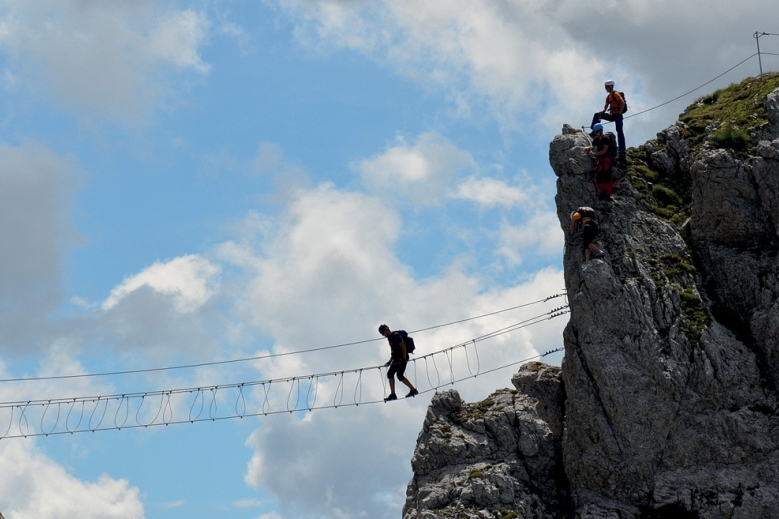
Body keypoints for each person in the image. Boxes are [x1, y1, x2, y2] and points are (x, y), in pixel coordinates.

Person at [378, 324, 419, 401]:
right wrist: (390, 361)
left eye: (384, 332)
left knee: (396, 375)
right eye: (383, 334)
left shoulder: (396, 335)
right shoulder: (390, 338)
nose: (384, 335)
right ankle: (410, 390)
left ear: (387, 329)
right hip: (397, 358)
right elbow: (393, 351)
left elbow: (403, 346)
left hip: (401, 358)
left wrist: (403, 359)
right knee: (395, 375)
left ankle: (396, 393)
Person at [590, 80, 626, 163]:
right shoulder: (608, 97)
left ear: (611, 86)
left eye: (607, 87)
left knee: (619, 132)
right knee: (597, 115)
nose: (606, 88)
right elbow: (605, 107)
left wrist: (620, 112)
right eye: (605, 87)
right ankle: (594, 131)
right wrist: (601, 112)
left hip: (618, 116)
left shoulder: (616, 94)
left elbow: (622, 103)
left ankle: (622, 152)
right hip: (612, 115)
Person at [585, 123, 613, 200]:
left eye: (597, 132)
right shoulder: (596, 139)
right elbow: (593, 146)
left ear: (601, 131)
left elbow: (604, 150)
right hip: (600, 160)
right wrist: (588, 148)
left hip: (606, 159)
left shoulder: (606, 139)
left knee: (607, 177)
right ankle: (602, 193)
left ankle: (607, 194)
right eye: (595, 132)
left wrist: (594, 153)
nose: (595, 133)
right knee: (599, 177)